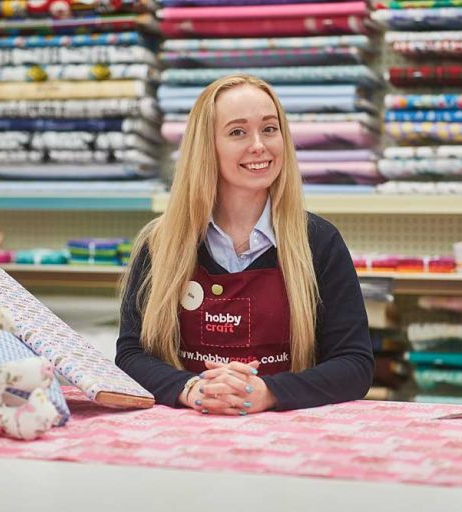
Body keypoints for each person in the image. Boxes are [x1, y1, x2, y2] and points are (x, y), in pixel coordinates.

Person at [116, 74, 373, 415]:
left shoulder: (320, 242)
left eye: (269, 129)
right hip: (188, 429)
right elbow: (130, 356)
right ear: (206, 147)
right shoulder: (160, 244)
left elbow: (354, 365)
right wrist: (191, 388)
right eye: (237, 132)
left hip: (286, 433)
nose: (259, 145)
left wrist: (269, 392)